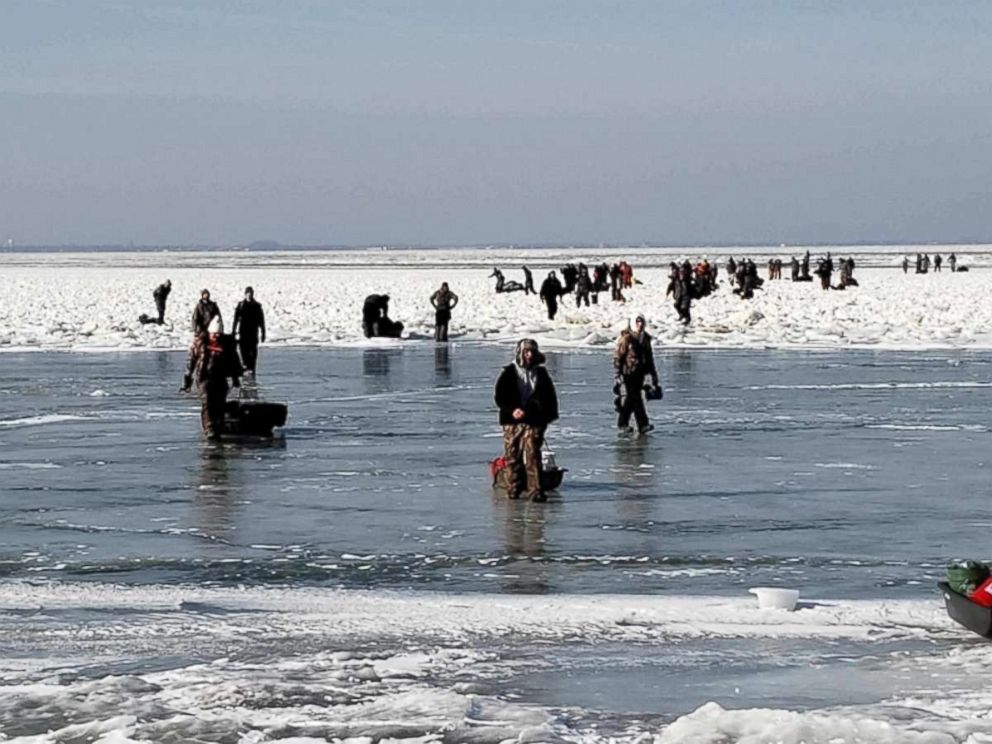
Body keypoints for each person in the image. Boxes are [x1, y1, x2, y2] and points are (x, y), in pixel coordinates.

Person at [493, 339, 559, 501]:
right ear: (520, 353)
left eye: (532, 352)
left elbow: (549, 398)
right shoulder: (509, 372)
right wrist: (512, 409)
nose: (529, 355)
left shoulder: (541, 374)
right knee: (513, 455)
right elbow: (500, 395)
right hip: (512, 421)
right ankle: (514, 488)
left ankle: (535, 490)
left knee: (532, 455)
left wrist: (545, 418)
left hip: (534, 420)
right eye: (526, 352)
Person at [181, 316, 242, 439]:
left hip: (220, 377)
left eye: (218, 334)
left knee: (219, 403)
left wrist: (235, 378)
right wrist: (188, 378)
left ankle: (218, 425)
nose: (216, 337)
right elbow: (191, 361)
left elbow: (234, 361)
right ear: (210, 333)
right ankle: (209, 428)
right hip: (204, 377)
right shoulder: (200, 343)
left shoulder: (227, 344)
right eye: (214, 334)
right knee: (208, 402)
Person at [614, 315, 659, 435]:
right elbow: (618, 356)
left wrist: (653, 375)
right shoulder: (626, 338)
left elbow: (649, 358)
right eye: (637, 321)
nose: (640, 324)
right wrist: (617, 373)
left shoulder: (645, 338)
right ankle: (641, 424)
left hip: (641, 373)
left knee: (632, 398)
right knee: (635, 397)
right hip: (628, 372)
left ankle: (625, 423)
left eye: (642, 321)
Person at [232, 286, 266, 376]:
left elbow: (261, 321)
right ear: (245, 294)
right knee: (243, 350)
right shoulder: (241, 305)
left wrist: (263, 333)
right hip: (243, 332)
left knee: (253, 352)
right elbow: (235, 319)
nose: (249, 295)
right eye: (248, 294)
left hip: (253, 332)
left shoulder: (257, 306)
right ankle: (245, 366)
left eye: (251, 294)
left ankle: (252, 367)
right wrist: (233, 331)